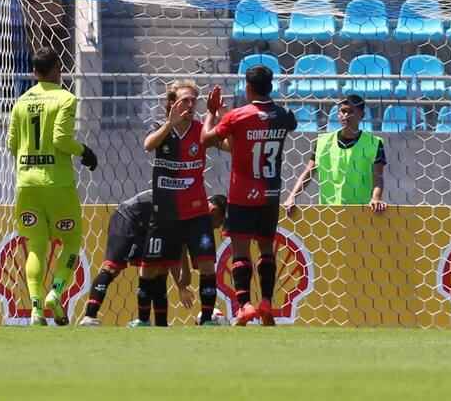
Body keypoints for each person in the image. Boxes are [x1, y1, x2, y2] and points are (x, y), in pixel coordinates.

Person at [8, 47, 98, 326]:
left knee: (35, 247)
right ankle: (55, 293)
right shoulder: (66, 98)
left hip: (26, 184)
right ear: (58, 69)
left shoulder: (21, 102)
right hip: (57, 184)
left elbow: (12, 145)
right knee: (70, 242)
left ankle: (36, 310)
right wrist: (84, 151)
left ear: (34, 72)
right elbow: (61, 139)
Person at [201, 65, 297, 327]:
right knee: (267, 247)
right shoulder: (285, 115)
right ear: (272, 85)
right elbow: (280, 123)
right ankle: (266, 302)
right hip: (271, 194)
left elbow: (207, 139)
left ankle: (245, 306)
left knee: (240, 251)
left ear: (247, 87)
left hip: (242, 195)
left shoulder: (236, 117)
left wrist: (212, 113)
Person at [136, 80, 220, 327]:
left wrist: (218, 115)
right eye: (185, 100)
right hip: (165, 213)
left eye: (194, 100)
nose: (191, 104)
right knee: (149, 269)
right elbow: (148, 145)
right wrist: (170, 124)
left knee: (207, 263)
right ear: (172, 103)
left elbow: (229, 145)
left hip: (196, 212)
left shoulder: (201, 130)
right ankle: (142, 320)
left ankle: (206, 319)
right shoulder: (159, 127)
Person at [79, 191, 227, 327]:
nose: (217, 228)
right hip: (129, 217)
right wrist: (181, 286)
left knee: (160, 267)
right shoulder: (190, 210)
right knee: (112, 268)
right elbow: (176, 252)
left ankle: (161, 325)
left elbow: (178, 247)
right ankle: (89, 316)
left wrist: (183, 280)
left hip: (151, 226)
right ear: (214, 211)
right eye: (219, 223)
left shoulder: (193, 215)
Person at [283, 94, 387, 217]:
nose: (346, 115)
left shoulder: (374, 143)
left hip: (362, 212)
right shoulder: (323, 141)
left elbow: (378, 179)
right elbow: (308, 173)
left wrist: (375, 198)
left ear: (362, 115)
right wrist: (292, 197)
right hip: (329, 213)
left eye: (351, 111)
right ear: (338, 114)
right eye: (343, 111)